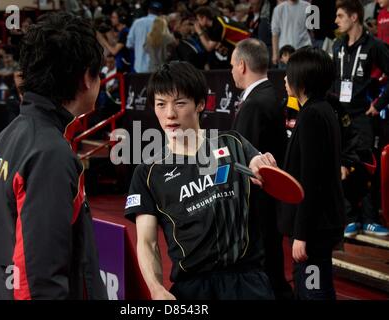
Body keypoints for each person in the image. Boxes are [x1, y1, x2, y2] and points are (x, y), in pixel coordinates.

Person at [0, 12, 108, 300]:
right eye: (99, 73)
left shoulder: (4, 139)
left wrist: (0, 292)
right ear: (86, 77)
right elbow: (40, 275)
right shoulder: (49, 154)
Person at [124, 61, 276, 300]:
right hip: (193, 288)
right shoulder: (147, 173)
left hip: (247, 283)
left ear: (200, 104)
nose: (170, 114)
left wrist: (262, 164)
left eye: (180, 103)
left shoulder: (232, 143)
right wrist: (155, 288)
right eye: (161, 104)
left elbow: (260, 166)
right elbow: (147, 242)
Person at [279, 47, 345, 300]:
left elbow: (311, 181)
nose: (285, 79)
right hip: (320, 224)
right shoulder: (321, 109)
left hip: (315, 229)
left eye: (288, 73)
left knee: (314, 292)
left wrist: (301, 235)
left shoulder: (313, 116)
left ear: (302, 80)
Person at [230, 38, 290, 299]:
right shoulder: (268, 93)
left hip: (258, 202)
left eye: (232, 65)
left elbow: (244, 156)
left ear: (242, 65)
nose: (231, 70)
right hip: (268, 201)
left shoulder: (255, 103)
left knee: (267, 268)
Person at [333, 0, 389, 236]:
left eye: (340, 16)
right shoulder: (337, 46)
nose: (336, 20)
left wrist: (379, 104)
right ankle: (349, 218)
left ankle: (368, 218)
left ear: (354, 17)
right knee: (344, 165)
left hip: (364, 115)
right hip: (342, 116)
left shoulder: (374, 46)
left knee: (367, 164)